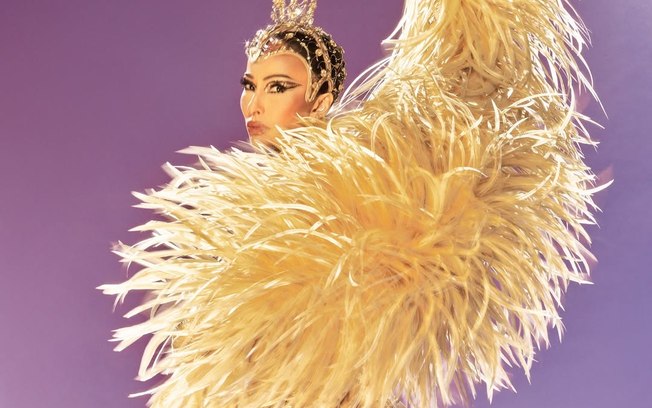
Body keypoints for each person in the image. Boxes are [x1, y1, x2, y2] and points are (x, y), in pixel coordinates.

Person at [100, 0, 606, 407]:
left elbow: (470, 82)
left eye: (278, 87)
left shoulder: (369, 187)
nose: (254, 104)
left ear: (321, 99)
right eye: (249, 86)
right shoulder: (237, 215)